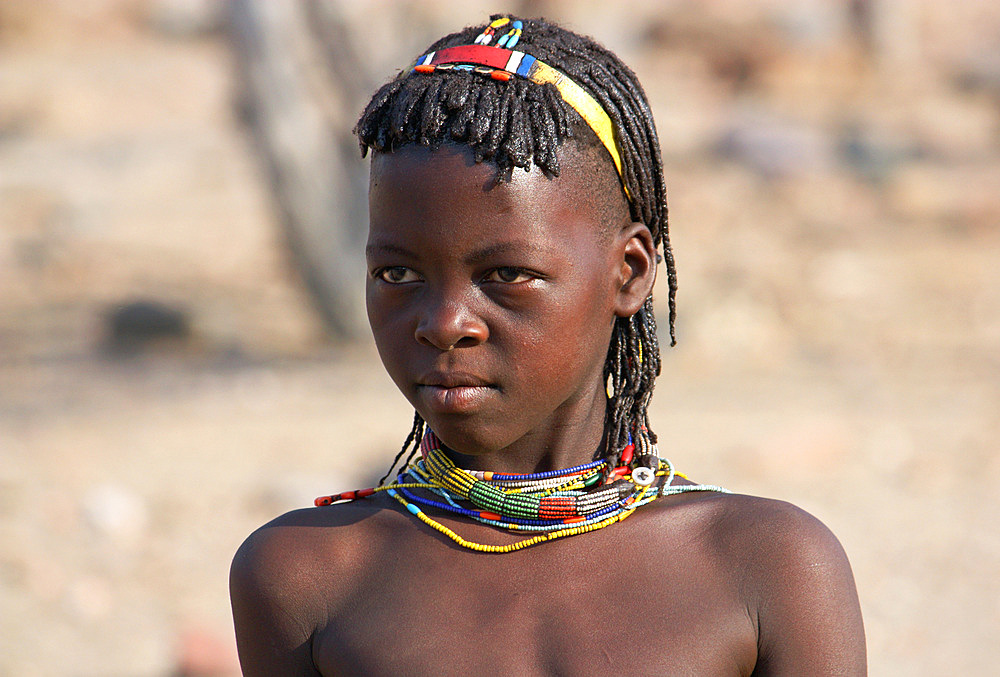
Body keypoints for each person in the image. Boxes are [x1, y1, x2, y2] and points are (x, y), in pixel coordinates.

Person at [230, 16, 866, 676]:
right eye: (397, 274)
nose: (446, 322)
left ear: (630, 271)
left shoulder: (766, 567)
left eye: (506, 274)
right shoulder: (306, 575)